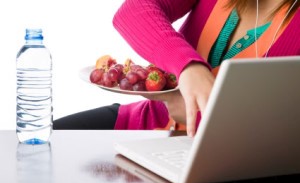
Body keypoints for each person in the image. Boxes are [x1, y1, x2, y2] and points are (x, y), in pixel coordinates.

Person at [54, 0, 300, 137]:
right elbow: (133, 11)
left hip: (220, 166)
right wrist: (189, 67)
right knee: (35, 150)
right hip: (143, 125)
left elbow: (283, 136)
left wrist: (200, 116)